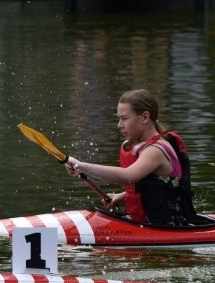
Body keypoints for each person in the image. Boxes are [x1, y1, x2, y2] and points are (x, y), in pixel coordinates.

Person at [65, 89, 197, 226]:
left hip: (170, 227)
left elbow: (128, 176)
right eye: (119, 119)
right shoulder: (143, 147)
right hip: (148, 223)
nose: (119, 125)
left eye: (124, 118)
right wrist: (122, 197)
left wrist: (81, 166)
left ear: (145, 117)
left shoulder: (155, 150)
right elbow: (153, 189)